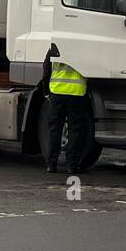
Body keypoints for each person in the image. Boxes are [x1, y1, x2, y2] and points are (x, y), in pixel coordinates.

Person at [43, 44, 93, 174]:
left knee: (55, 130)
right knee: (75, 131)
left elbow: (46, 68)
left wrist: (46, 91)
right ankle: (72, 165)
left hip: (57, 91)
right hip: (77, 93)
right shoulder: (82, 47)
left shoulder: (54, 46)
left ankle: (51, 164)